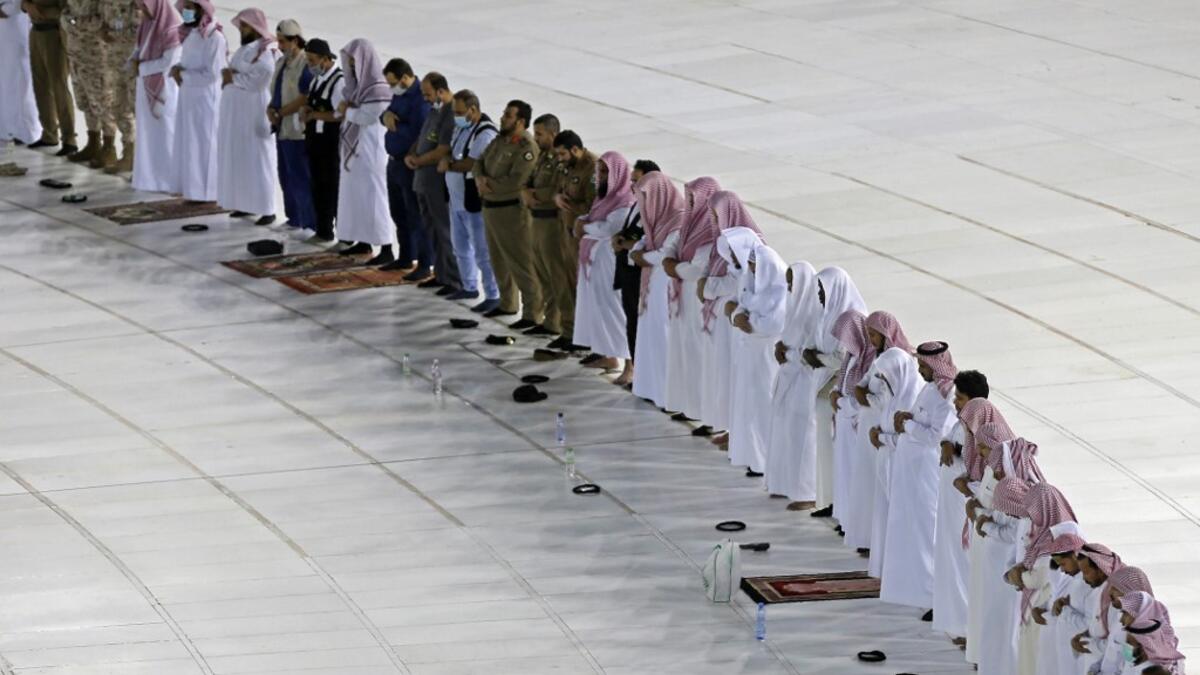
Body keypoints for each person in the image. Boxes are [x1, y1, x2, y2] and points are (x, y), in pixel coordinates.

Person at [879, 341, 958, 610]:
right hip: (911, 471)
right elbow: (918, 420)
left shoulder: (947, 395)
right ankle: (916, 589)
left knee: (927, 531)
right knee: (911, 527)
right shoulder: (929, 388)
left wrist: (907, 424)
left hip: (926, 474)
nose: (920, 369)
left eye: (924, 365)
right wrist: (907, 418)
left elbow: (937, 436)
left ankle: (934, 597)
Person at [720, 226, 787, 477]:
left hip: (766, 357)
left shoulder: (779, 291)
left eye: (755, 265)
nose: (752, 269)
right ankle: (754, 458)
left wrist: (746, 321)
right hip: (749, 355)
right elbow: (737, 308)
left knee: (764, 406)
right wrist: (740, 317)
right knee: (749, 405)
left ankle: (767, 461)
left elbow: (773, 324)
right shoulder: (752, 286)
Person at [956, 397, 1015, 667]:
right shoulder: (993, 469)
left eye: (982, 447)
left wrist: (981, 517)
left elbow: (1011, 526)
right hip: (986, 550)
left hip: (1001, 556)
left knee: (996, 611)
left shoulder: (1012, 480)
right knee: (981, 602)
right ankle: (981, 653)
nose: (978, 453)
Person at [931, 370, 989, 645]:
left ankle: (971, 630)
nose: (955, 403)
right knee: (951, 561)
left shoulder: (983, 430)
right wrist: (946, 445)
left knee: (965, 566)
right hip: (951, 506)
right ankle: (957, 622)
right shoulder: (962, 423)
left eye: (961, 398)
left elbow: (986, 473)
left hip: (965, 509)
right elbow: (950, 437)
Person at [697, 191, 758, 446]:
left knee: (740, 380)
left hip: (740, 326)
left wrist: (708, 287)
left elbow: (735, 282)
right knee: (726, 376)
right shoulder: (725, 245)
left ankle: (740, 434)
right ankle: (731, 428)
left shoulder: (749, 247)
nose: (712, 220)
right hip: (726, 322)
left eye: (716, 215)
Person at [661, 177, 720, 422]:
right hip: (682, 298)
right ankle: (689, 405)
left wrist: (674, 268)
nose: (690, 202)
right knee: (683, 350)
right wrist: (674, 263)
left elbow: (698, 268)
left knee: (698, 354)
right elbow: (669, 248)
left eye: (694, 198)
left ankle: (703, 411)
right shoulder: (688, 225)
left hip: (698, 300)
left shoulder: (711, 230)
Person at [763, 260, 821, 508]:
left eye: (791, 283)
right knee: (784, 432)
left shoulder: (814, 314)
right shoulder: (794, 308)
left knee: (803, 436)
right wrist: (781, 348)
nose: (788, 288)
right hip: (788, 380)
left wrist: (787, 354)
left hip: (804, 384)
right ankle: (783, 483)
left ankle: (806, 492)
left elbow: (812, 354)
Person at [477, 100, 542, 323]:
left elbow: (517, 181)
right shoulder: (499, 140)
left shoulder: (526, 147)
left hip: (511, 214)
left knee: (521, 264)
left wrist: (488, 186)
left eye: (508, 115)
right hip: (491, 210)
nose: (503, 117)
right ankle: (507, 303)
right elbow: (480, 162)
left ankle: (533, 313)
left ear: (521, 121)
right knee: (498, 261)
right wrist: (479, 178)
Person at [808, 266, 865, 517]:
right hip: (825, 393)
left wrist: (816, 357)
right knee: (826, 453)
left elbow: (845, 358)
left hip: (841, 397)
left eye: (823, 290)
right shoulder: (827, 314)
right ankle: (830, 501)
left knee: (840, 456)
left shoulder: (853, 317)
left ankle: (843, 506)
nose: (819, 295)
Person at [571, 152, 635, 370]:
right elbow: (591, 218)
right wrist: (583, 222)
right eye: (600, 171)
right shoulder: (604, 198)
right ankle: (608, 354)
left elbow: (610, 228)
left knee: (616, 309)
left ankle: (629, 365)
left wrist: (584, 227)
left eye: (606, 172)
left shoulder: (625, 200)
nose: (602, 176)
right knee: (598, 307)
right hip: (595, 260)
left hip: (612, 262)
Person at [334, 38, 394, 263]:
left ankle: (386, 246)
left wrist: (348, 111)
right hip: (353, 151)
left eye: (353, 61)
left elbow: (368, 116)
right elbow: (341, 107)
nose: (350, 66)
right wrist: (346, 110)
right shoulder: (355, 88)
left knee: (375, 198)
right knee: (356, 196)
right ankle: (362, 240)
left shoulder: (377, 87)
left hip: (370, 150)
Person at [216, 8, 279, 226]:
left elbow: (261, 77)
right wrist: (234, 76)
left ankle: (266, 208)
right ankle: (245, 204)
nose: (241, 30)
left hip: (255, 109)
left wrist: (234, 78)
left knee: (259, 158)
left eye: (244, 26)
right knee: (241, 157)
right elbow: (233, 71)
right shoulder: (246, 49)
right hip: (237, 112)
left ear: (255, 27)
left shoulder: (266, 49)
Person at [864, 346, 922, 579]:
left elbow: (909, 438)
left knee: (900, 518)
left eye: (885, 376)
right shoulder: (895, 393)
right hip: (887, 461)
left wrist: (881, 437)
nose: (882, 380)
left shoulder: (913, 396)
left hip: (903, 466)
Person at [438, 89, 499, 305]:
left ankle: (493, 294)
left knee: (483, 252)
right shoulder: (463, 127)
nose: (457, 116)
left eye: (460, 112)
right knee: (460, 247)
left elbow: (474, 163)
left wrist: (450, 164)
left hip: (472, 201)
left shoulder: (486, 133)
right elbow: (453, 151)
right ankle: (469, 286)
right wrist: (447, 158)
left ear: (473, 109)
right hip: (456, 201)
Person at [630, 172, 684, 407]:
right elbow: (645, 239)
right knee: (649, 334)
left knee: (662, 336)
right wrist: (638, 252)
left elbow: (666, 253)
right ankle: (648, 387)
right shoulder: (656, 216)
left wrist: (641, 256)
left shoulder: (678, 219)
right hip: (650, 281)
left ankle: (666, 394)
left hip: (665, 283)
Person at [405, 72, 457, 291]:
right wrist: (411, 153)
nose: (425, 98)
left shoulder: (451, 113)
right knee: (431, 229)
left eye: (428, 94)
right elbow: (423, 137)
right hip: (423, 180)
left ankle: (454, 279)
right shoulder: (435, 110)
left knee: (444, 231)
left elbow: (443, 149)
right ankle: (441, 274)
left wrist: (418, 160)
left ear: (441, 91)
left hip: (437, 182)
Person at [170, 0, 225, 203]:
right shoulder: (192, 35)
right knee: (190, 144)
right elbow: (187, 62)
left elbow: (212, 74)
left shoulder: (214, 38)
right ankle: (193, 190)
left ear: (202, 11)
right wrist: (177, 69)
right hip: (188, 97)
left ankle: (208, 192)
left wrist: (184, 75)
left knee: (204, 145)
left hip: (205, 100)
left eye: (191, 8)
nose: (186, 12)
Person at [546, 130, 595, 349]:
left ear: (575, 149)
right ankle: (573, 332)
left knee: (584, 289)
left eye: (563, 154)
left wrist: (571, 206)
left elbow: (595, 207)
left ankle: (590, 339)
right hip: (565, 233)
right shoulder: (566, 165)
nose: (559, 158)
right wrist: (556, 197)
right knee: (568, 285)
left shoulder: (592, 169)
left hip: (583, 240)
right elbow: (557, 188)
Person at [380, 58, 430, 272]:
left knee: (415, 215)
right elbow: (386, 114)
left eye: (393, 83)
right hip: (393, 163)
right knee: (398, 212)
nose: (392, 88)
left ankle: (424, 261)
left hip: (409, 164)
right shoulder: (399, 95)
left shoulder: (420, 100)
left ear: (406, 78)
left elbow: (420, 134)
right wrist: (386, 117)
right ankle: (405, 255)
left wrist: (396, 126)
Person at [267, 19, 314, 231]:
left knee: (300, 177)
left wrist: (281, 112)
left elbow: (305, 97)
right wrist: (271, 109)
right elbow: (276, 89)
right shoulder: (282, 62)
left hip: (296, 129)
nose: (280, 46)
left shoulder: (305, 64)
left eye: (283, 41)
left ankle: (308, 222)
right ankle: (294, 218)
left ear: (295, 40)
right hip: (281, 127)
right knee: (285, 175)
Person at [129, 0, 182, 192]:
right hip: (145, 86)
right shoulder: (148, 23)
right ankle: (149, 177)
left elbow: (169, 62)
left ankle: (168, 179)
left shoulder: (171, 26)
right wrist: (133, 61)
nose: (141, 10)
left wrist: (141, 67)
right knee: (148, 133)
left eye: (144, 6)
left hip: (164, 88)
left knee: (165, 132)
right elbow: (140, 49)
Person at [522, 114, 564, 336]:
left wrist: (534, 194)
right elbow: (527, 182)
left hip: (551, 222)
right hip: (535, 219)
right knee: (541, 273)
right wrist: (527, 193)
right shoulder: (543, 157)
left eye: (540, 134)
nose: (535, 138)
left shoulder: (559, 159)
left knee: (554, 273)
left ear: (553, 134)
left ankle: (558, 323)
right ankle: (548, 319)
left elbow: (558, 189)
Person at [299, 38, 341, 245]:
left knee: (332, 188)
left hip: (330, 144)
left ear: (325, 59)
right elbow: (312, 102)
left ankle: (342, 232)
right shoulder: (317, 79)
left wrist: (314, 114)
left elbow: (339, 114)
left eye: (313, 60)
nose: (310, 64)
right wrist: (307, 110)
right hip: (314, 141)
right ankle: (323, 229)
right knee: (318, 187)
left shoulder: (338, 81)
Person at [23, 0, 76, 155]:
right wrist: (27, 5)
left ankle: (69, 139)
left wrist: (38, 7)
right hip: (36, 31)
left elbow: (68, 7)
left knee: (59, 86)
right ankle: (49, 134)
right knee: (40, 86)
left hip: (54, 32)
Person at [95, 0, 137, 170]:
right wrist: (102, 31)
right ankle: (128, 153)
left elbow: (143, 29)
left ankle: (143, 159)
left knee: (138, 110)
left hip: (134, 63)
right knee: (118, 108)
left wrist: (117, 35)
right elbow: (102, 20)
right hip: (113, 62)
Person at [61, 0, 104, 164]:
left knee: (99, 99)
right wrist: (73, 23)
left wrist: (78, 23)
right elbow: (65, 14)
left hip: (95, 52)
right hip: (75, 52)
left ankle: (107, 146)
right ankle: (92, 142)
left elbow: (104, 19)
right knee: (83, 99)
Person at [0, 0, 42, 148]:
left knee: (18, 79)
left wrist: (8, 9)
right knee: (4, 82)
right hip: (4, 30)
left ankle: (25, 130)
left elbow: (18, 4)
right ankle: (6, 128)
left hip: (14, 27)